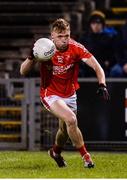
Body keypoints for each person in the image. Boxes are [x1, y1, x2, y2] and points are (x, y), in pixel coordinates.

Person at [20, 18, 109, 168]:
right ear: (52, 36)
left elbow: (97, 66)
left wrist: (102, 84)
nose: (64, 40)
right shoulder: (44, 48)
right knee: (71, 119)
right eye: (60, 37)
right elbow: (23, 71)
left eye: (66, 36)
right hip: (50, 93)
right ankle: (86, 158)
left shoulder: (75, 47)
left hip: (70, 93)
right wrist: (31, 56)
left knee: (64, 130)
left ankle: (55, 152)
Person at [79, 10, 119, 77]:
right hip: (87, 66)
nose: (96, 26)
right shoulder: (84, 38)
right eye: (93, 23)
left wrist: (109, 62)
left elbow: (114, 53)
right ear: (90, 25)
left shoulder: (110, 37)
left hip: (104, 66)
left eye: (98, 23)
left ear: (102, 25)